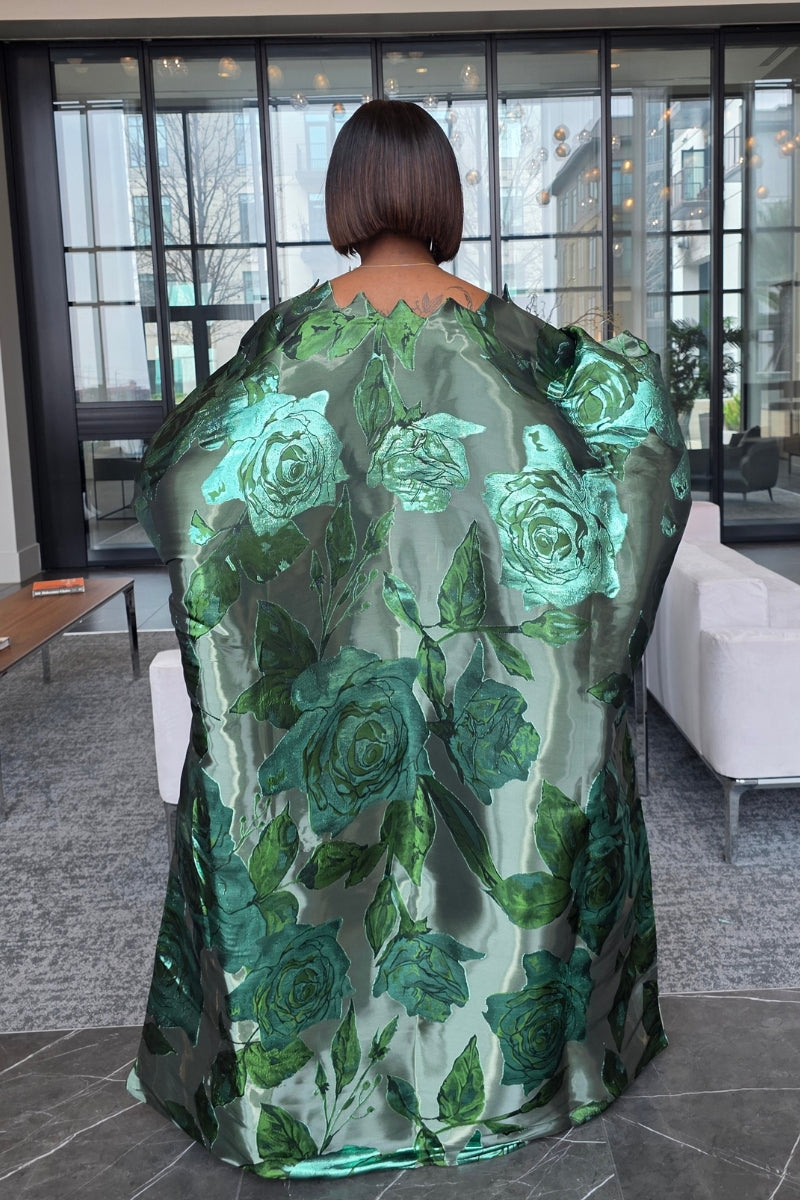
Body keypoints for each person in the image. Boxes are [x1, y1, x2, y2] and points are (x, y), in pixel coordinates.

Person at [127, 99, 690, 1179]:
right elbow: (634, 438)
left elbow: (184, 469)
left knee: (331, 854)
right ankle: (506, 1076)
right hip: (488, 674)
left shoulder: (292, 337)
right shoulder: (509, 337)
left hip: (335, 670)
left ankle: (305, 1094)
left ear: (346, 196)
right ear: (442, 195)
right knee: (479, 842)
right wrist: (588, 645)